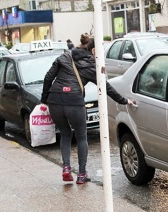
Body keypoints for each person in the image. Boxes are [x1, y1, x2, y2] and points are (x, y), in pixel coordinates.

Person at [41, 33, 134, 184]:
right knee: (81, 137)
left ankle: (66, 168)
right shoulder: (91, 65)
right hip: (74, 101)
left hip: (55, 101)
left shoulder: (64, 57)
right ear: (92, 51)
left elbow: (48, 78)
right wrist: (124, 100)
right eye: (100, 50)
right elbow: (105, 87)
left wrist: (44, 100)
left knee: (65, 134)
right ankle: (82, 174)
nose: (102, 53)